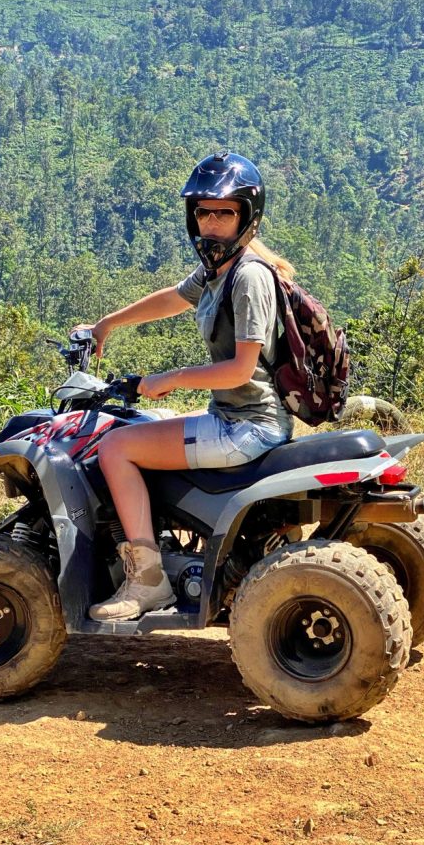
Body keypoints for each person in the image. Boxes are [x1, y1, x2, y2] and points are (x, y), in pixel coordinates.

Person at [73, 151, 296, 621]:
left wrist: (169, 380)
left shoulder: (249, 277)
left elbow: (239, 370)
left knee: (116, 449)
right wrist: (107, 324)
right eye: (204, 212)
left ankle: (148, 581)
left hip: (247, 426)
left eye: (225, 212)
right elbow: (173, 298)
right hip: (235, 418)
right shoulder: (221, 269)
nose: (212, 222)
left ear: (247, 216)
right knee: (145, 426)